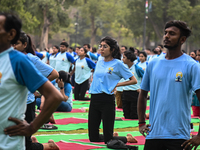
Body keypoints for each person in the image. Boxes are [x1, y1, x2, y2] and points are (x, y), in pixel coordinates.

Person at [0, 12, 64, 150]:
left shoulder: (18, 60)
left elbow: (55, 96)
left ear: (11, 34)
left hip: (8, 141)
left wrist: (31, 128)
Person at [138, 20, 200, 150]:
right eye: (165, 33)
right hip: (153, 134)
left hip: (179, 136)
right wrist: (142, 122)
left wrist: (199, 136)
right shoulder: (154, 63)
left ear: (182, 39)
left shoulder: (192, 66)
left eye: (172, 34)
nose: (166, 36)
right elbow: (143, 94)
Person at [14, 31, 59, 150]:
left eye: (16, 44)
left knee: (24, 146)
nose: (13, 46)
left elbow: (54, 74)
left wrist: (36, 87)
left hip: (26, 105)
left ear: (24, 45)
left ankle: (49, 146)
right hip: (11, 105)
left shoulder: (30, 58)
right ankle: (31, 140)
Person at [88, 36, 138, 144]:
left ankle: (126, 138)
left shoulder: (118, 64)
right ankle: (112, 135)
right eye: (100, 46)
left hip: (107, 100)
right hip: (94, 99)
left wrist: (117, 85)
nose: (101, 48)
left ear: (112, 49)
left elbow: (133, 80)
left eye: (105, 46)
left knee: (108, 140)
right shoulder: (99, 61)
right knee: (93, 137)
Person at [122, 50, 143, 119]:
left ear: (129, 59)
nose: (122, 59)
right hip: (125, 91)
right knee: (126, 113)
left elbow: (145, 78)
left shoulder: (137, 68)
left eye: (124, 57)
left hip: (135, 92)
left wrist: (141, 88)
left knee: (134, 114)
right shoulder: (123, 67)